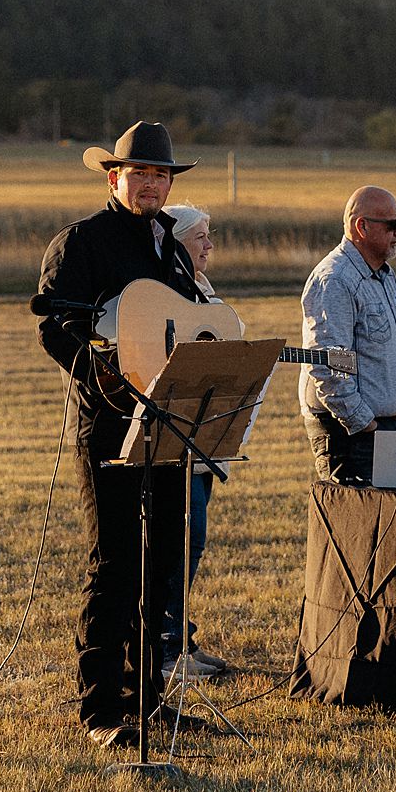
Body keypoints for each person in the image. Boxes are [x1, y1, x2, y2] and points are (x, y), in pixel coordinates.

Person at [34, 120, 202, 748]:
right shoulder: (81, 242)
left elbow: (183, 325)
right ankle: (101, 708)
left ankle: (148, 699)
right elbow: (54, 326)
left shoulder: (172, 247)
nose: (152, 184)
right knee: (114, 565)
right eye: (140, 174)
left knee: (162, 564)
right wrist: (101, 370)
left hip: (168, 423)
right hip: (107, 425)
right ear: (114, 179)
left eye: (161, 175)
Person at [159, 204, 231, 689]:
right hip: (176, 438)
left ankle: (180, 639)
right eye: (200, 236)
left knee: (193, 541)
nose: (209, 245)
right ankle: (166, 648)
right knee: (181, 541)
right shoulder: (163, 293)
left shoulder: (202, 290)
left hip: (205, 437)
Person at [298, 184, 396, 483]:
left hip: (386, 429)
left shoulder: (384, 275)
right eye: (392, 225)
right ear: (362, 227)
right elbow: (327, 363)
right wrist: (364, 424)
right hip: (351, 436)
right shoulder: (335, 279)